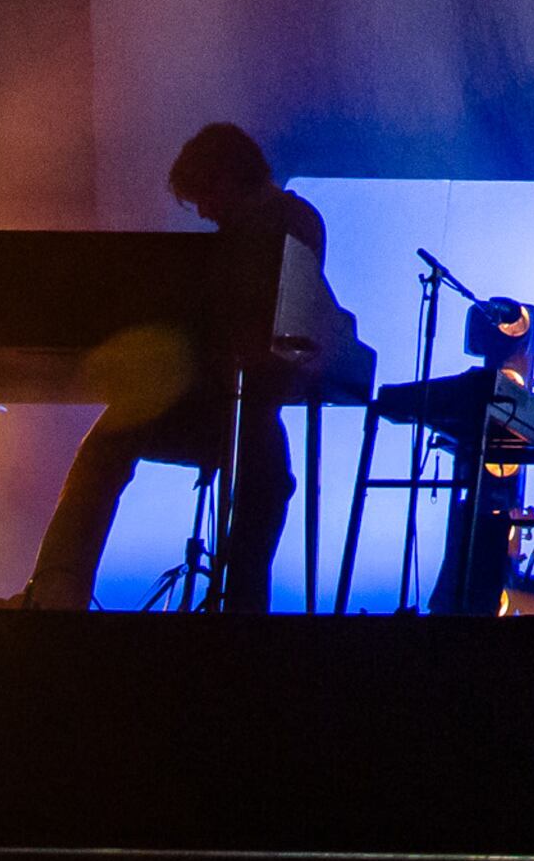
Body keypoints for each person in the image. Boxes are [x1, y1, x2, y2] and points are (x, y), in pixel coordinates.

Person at [17, 123, 339, 611]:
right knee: (253, 477)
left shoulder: (287, 221)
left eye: (206, 196)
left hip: (240, 402)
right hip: (223, 401)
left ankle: (62, 587)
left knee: (118, 449)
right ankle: (235, 604)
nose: (205, 212)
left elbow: (271, 321)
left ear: (230, 175)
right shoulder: (267, 226)